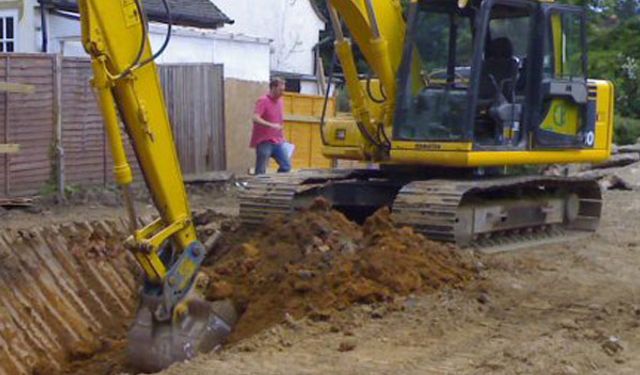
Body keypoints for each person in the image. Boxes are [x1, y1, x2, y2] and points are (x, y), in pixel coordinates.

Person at [249, 77, 292, 175]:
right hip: (264, 141)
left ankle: (276, 184)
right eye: (280, 90)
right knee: (261, 170)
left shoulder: (280, 102)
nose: (282, 93)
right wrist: (271, 125)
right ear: (273, 88)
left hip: (278, 141)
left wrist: (282, 136)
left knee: (286, 166)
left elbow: (278, 120)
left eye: (283, 90)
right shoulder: (263, 101)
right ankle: (259, 188)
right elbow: (255, 118)